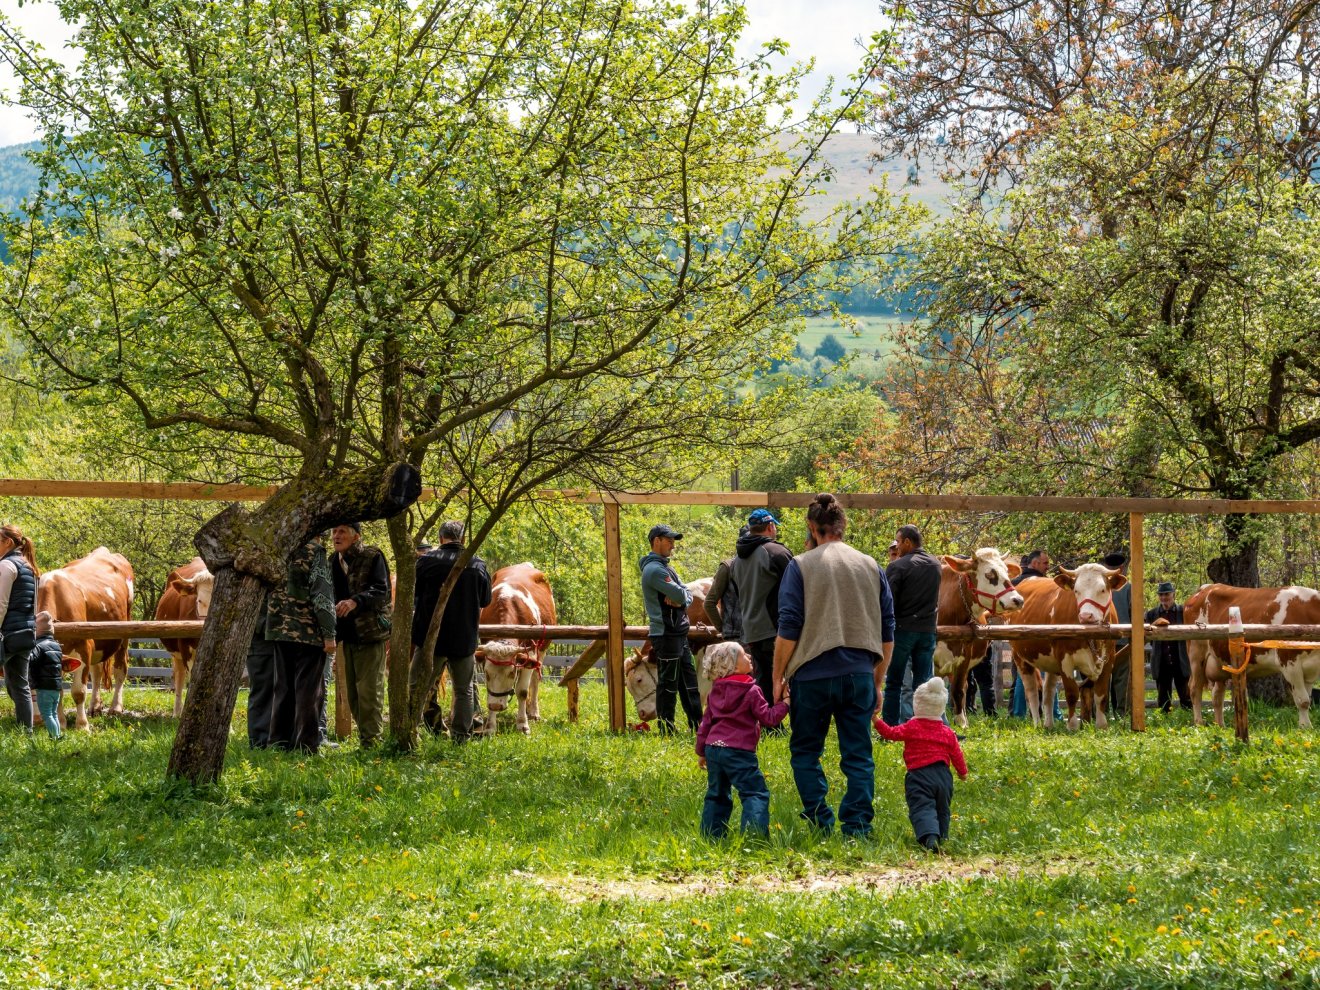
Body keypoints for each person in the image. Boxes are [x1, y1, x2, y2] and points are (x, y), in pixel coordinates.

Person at [773, 493, 895, 837]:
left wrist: (778, 676)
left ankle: (819, 819)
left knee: (805, 751)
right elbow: (888, 631)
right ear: (843, 527)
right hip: (858, 672)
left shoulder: (800, 565)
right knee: (858, 754)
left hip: (811, 674)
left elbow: (789, 626)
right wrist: (878, 680)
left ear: (812, 527)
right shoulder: (871, 565)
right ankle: (857, 825)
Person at [695, 641, 789, 837]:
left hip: (714, 748)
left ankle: (711, 836)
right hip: (739, 750)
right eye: (743, 655)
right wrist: (786, 704)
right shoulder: (751, 690)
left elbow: (706, 723)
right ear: (734, 666)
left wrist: (701, 751)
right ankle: (754, 836)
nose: (748, 656)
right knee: (754, 792)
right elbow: (768, 719)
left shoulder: (715, 691)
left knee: (716, 795)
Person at [412, 520, 491, 742]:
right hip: (463, 638)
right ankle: (461, 736)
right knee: (463, 689)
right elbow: (485, 599)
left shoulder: (426, 562)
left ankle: (410, 732)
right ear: (463, 539)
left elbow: (414, 593)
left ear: (440, 539)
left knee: (417, 685)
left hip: (430, 638)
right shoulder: (477, 564)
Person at [874, 677, 968, 852]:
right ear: (941, 707)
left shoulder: (912, 726)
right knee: (942, 808)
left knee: (922, 806)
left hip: (919, 775)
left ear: (917, 704)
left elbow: (890, 733)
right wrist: (962, 773)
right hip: (943, 776)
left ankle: (930, 838)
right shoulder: (947, 732)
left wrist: (876, 720)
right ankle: (942, 835)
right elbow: (957, 754)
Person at [267, 535, 337, 754]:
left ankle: (279, 742)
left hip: (278, 629)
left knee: (283, 687)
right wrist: (329, 633)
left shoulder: (278, 550)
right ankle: (306, 744)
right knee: (309, 691)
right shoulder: (315, 552)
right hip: (307, 631)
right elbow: (321, 595)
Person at [330, 522, 393, 748]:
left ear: (355, 536)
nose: (336, 536)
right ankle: (367, 739)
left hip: (370, 634)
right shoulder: (332, 561)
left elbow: (381, 590)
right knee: (354, 695)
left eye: (342, 532)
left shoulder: (372, 556)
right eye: (334, 532)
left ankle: (371, 742)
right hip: (347, 636)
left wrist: (356, 601)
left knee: (369, 691)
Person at [729, 509, 794, 725]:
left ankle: (770, 725)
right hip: (777, 629)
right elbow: (797, 587)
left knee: (764, 678)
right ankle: (800, 723)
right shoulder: (775, 552)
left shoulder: (737, 560)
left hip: (751, 630)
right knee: (793, 675)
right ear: (770, 527)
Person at [639, 524, 702, 733]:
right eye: (669, 540)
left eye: (673, 541)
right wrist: (683, 599)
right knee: (668, 684)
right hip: (666, 634)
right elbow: (681, 595)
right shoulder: (655, 570)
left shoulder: (666, 568)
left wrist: (683, 600)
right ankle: (667, 728)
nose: (673, 545)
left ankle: (698, 726)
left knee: (688, 681)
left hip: (677, 633)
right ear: (656, 541)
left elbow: (686, 594)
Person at [882, 524, 942, 725]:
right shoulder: (935, 565)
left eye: (898, 542)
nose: (897, 547)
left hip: (902, 630)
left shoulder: (898, 566)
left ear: (908, 542)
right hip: (927, 631)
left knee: (894, 682)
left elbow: (889, 603)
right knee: (923, 683)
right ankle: (925, 726)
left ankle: (890, 726)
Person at [1009, 550, 1059, 720]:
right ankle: (1053, 714)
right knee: (1049, 674)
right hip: (1041, 641)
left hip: (1018, 638)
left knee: (1021, 675)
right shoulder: (1045, 585)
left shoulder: (1014, 584)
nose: (1048, 567)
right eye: (1045, 563)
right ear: (1036, 563)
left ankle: (1018, 713)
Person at [0, 523, 39, 733]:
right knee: (19, 685)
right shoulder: (28, 566)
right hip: (25, 634)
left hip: (7, 635)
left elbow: (1, 604)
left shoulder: (6, 566)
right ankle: (26, 732)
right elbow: (35, 606)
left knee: (18, 685)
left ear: (7, 542)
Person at [1146, 581, 1191, 713]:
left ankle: (1188, 718)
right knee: (1163, 697)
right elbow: (1146, 634)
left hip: (1181, 658)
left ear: (1173, 594)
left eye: (1166, 594)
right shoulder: (1151, 614)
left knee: (1186, 694)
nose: (1164, 597)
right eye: (1161, 595)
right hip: (1161, 660)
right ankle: (1164, 720)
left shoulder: (1183, 611)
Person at [704, 526, 748, 643]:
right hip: (736, 637)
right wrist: (723, 628)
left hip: (755, 636)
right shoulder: (727, 567)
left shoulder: (760, 565)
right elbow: (709, 603)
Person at [28, 611, 66, 739]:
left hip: (44, 688)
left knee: (47, 715)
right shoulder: (57, 646)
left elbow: (31, 660)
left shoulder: (39, 646)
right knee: (54, 713)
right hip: (56, 687)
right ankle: (58, 734)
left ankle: (55, 737)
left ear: (37, 631)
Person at [1104, 553, 1133, 716]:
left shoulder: (1100, 586)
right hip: (1123, 639)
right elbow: (1134, 613)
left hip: (1103, 639)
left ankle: (1101, 712)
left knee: (1101, 677)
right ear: (1121, 568)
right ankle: (1121, 713)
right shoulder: (1128, 587)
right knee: (1121, 679)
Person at [246, 590, 276, 749]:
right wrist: (268, 625)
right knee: (262, 693)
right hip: (260, 643)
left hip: (274, 641)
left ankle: (274, 739)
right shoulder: (251, 582)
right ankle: (259, 742)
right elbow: (249, 610)